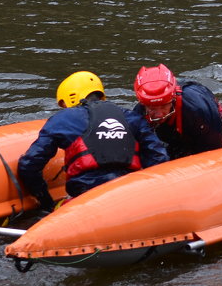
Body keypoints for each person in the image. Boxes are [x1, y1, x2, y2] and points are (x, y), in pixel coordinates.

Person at [17, 71, 169, 212]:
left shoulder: (63, 119)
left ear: (70, 97)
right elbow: (159, 159)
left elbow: (28, 165)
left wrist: (46, 204)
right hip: (130, 195)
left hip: (85, 200)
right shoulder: (132, 117)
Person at [132, 63, 222, 160]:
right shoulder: (138, 114)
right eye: (153, 108)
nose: (159, 114)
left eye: (164, 106)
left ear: (172, 99)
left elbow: (214, 154)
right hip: (173, 135)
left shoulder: (198, 111)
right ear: (143, 104)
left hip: (207, 129)